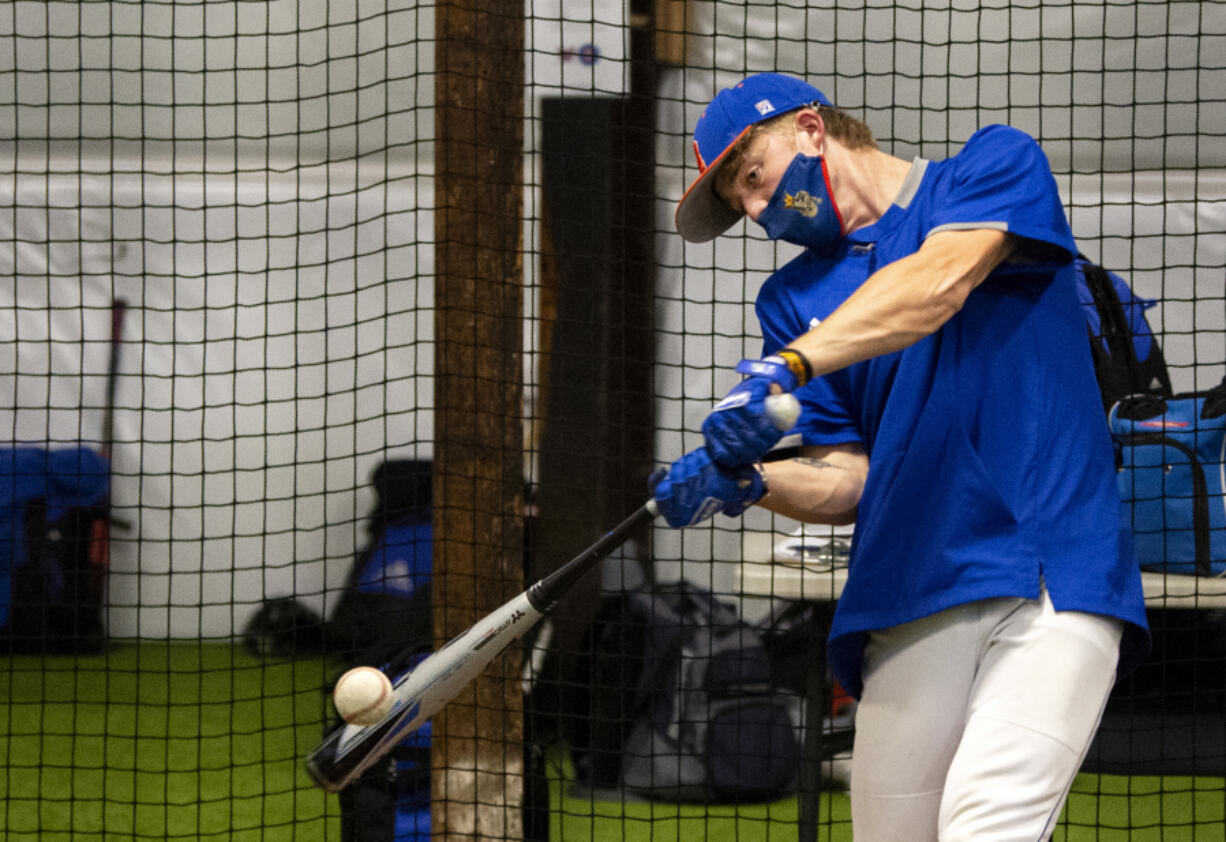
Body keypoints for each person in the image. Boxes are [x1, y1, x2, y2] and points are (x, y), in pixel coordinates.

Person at [651, 72, 1150, 842]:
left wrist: (790, 366)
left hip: (1047, 572)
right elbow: (848, 475)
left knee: (989, 827)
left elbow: (936, 285)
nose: (754, 211)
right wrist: (750, 482)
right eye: (738, 203)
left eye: (751, 178)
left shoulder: (990, 168)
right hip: (909, 591)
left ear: (812, 131)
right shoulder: (789, 299)